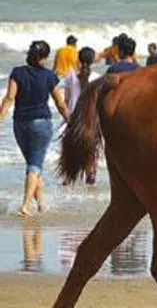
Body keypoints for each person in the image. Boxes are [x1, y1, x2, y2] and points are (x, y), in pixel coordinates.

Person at [0, 41, 71, 216]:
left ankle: (42, 204)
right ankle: (26, 205)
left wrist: (0, 119)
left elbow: (9, 98)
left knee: (33, 163)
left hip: (20, 125)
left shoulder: (17, 73)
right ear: (43, 57)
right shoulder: (49, 76)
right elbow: (60, 103)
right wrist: (71, 121)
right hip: (41, 124)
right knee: (35, 164)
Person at [63, 47, 102, 185]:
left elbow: (66, 100)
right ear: (93, 61)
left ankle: (68, 179)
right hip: (91, 118)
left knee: (71, 151)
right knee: (91, 151)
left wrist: (65, 117)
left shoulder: (70, 75)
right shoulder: (97, 78)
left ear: (79, 59)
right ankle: (90, 177)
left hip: (73, 118)